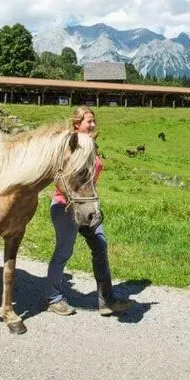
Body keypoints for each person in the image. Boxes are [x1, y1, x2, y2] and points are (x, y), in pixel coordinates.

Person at [44, 106, 133, 317]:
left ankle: (106, 300)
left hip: (88, 206)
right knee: (64, 251)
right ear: (77, 124)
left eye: (94, 121)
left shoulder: (91, 144)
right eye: (88, 121)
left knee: (100, 245)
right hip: (66, 205)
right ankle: (53, 298)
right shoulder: (69, 146)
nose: (93, 125)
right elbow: (59, 177)